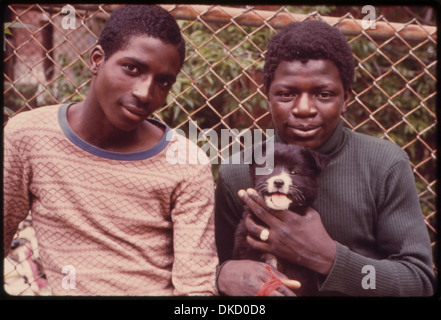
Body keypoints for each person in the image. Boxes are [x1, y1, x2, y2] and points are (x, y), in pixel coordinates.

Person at [3, 5, 218, 296]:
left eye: (163, 82)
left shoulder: (187, 163)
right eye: (132, 68)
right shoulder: (29, 137)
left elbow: (196, 290)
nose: (145, 93)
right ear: (97, 60)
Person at [214, 20, 436, 296]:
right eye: (286, 94)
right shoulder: (238, 170)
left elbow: (419, 282)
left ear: (346, 99)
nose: (304, 109)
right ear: (267, 96)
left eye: (323, 94)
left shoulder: (383, 164)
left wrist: (328, 258)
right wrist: (222, 275)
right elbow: (217, 264)